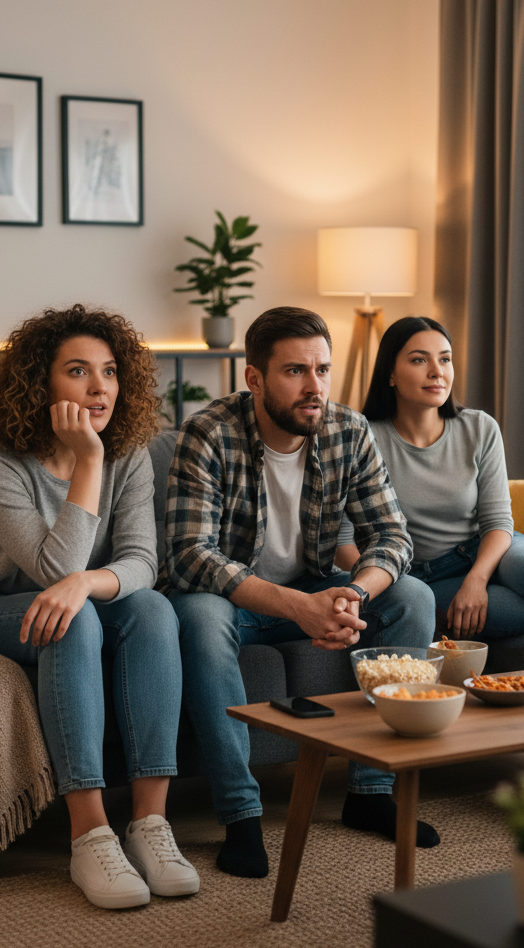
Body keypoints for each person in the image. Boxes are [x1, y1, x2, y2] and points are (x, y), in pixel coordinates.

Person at [0, 304, 199, 910]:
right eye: (78, 371)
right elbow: (54, 570)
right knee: (73, 615)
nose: (99, 387)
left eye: (108, 371)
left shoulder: (131, 453)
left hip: (77, 603)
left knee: (155, 611)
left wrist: (84, 585)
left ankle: (151, 825)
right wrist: (88, 460)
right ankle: (89, 833)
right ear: (40, 382)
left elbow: (140, 563)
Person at [161, 306, 439, 879]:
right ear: (254, 378)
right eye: (295, 371)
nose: (314, 387)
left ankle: (372, 792)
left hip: (315, 588)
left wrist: (355, 594)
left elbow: (391, 536)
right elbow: (190, 555)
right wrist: (300, 608)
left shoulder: (347, 430)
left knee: (413, 598)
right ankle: (240, 815)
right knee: (201, 619)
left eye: (323, 369)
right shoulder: (207, 434)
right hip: (236, 602)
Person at [336, 315, 524, 641]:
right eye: (418, 360)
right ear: (391, 374)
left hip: (486, 552)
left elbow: (498, 523)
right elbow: (342, 545)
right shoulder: (360, 438)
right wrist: (382, 588)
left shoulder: (479, 427)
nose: (436, 371)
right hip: (414, 576)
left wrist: (476, 581)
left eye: (444, 359)